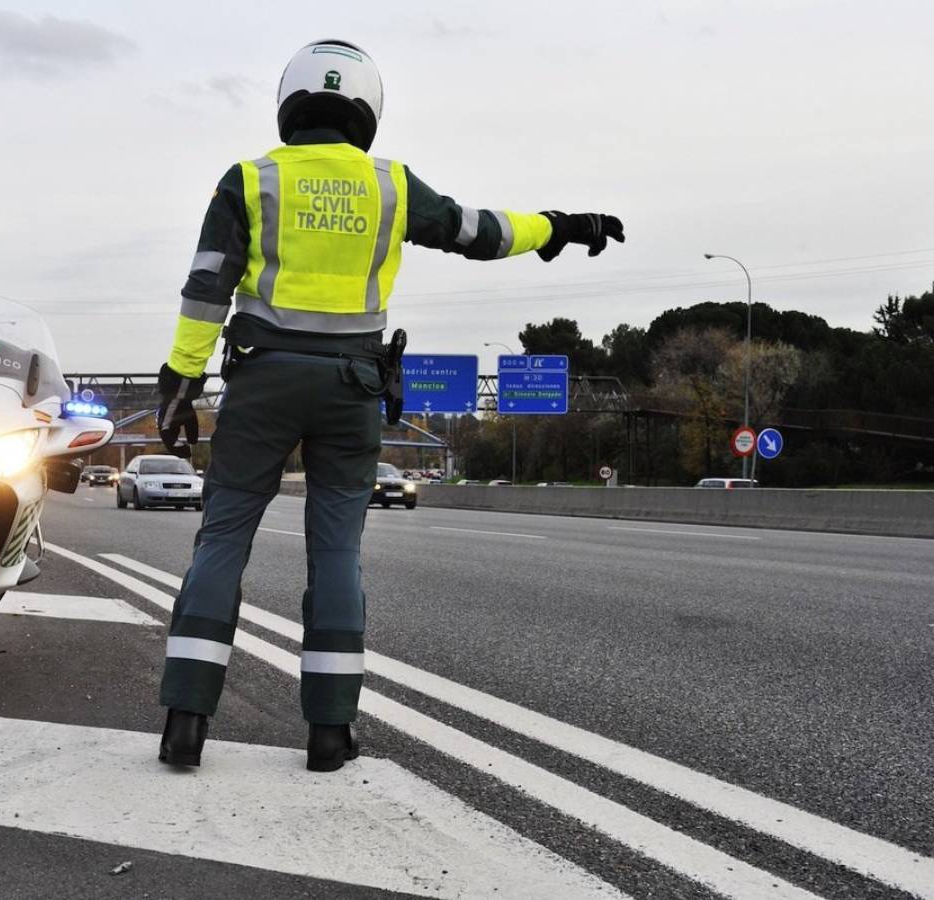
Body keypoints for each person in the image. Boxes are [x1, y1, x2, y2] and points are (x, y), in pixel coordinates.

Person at [155, 39, 624, 771]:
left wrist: (180, 385)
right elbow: (479, 231)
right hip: (352, 391)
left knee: (221, 541)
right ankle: (330, 732)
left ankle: (186, 720)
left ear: (290, 103)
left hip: (262, 383)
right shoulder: (391, 185)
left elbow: (207, 286)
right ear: (367, 109)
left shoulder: (249, 179)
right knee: (336, 554)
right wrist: (560, 226)